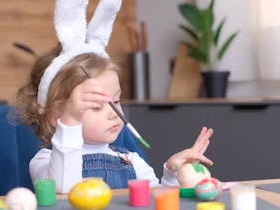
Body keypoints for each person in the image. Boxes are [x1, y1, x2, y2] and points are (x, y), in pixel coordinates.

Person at [15, 0, 214, 193]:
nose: (115, 113)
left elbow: (155, 201)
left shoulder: (132, 161)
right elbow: (64, 188)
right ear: (56, 117)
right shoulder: (44, 162)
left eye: (116, 100)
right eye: (96, 106)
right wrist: (71, 120)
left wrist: (173, 173)